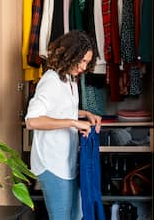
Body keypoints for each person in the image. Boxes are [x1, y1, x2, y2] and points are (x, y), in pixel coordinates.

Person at [25, 31, 101, 220]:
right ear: (70, 55)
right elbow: (32, 121)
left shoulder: (69, 79)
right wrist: (73, 122)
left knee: (76, 215)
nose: (84, 67)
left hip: (67, 161)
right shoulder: (50, 81)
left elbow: (61, 109)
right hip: (52, 164)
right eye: (81, 61)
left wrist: (86, 114)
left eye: (87, 62)